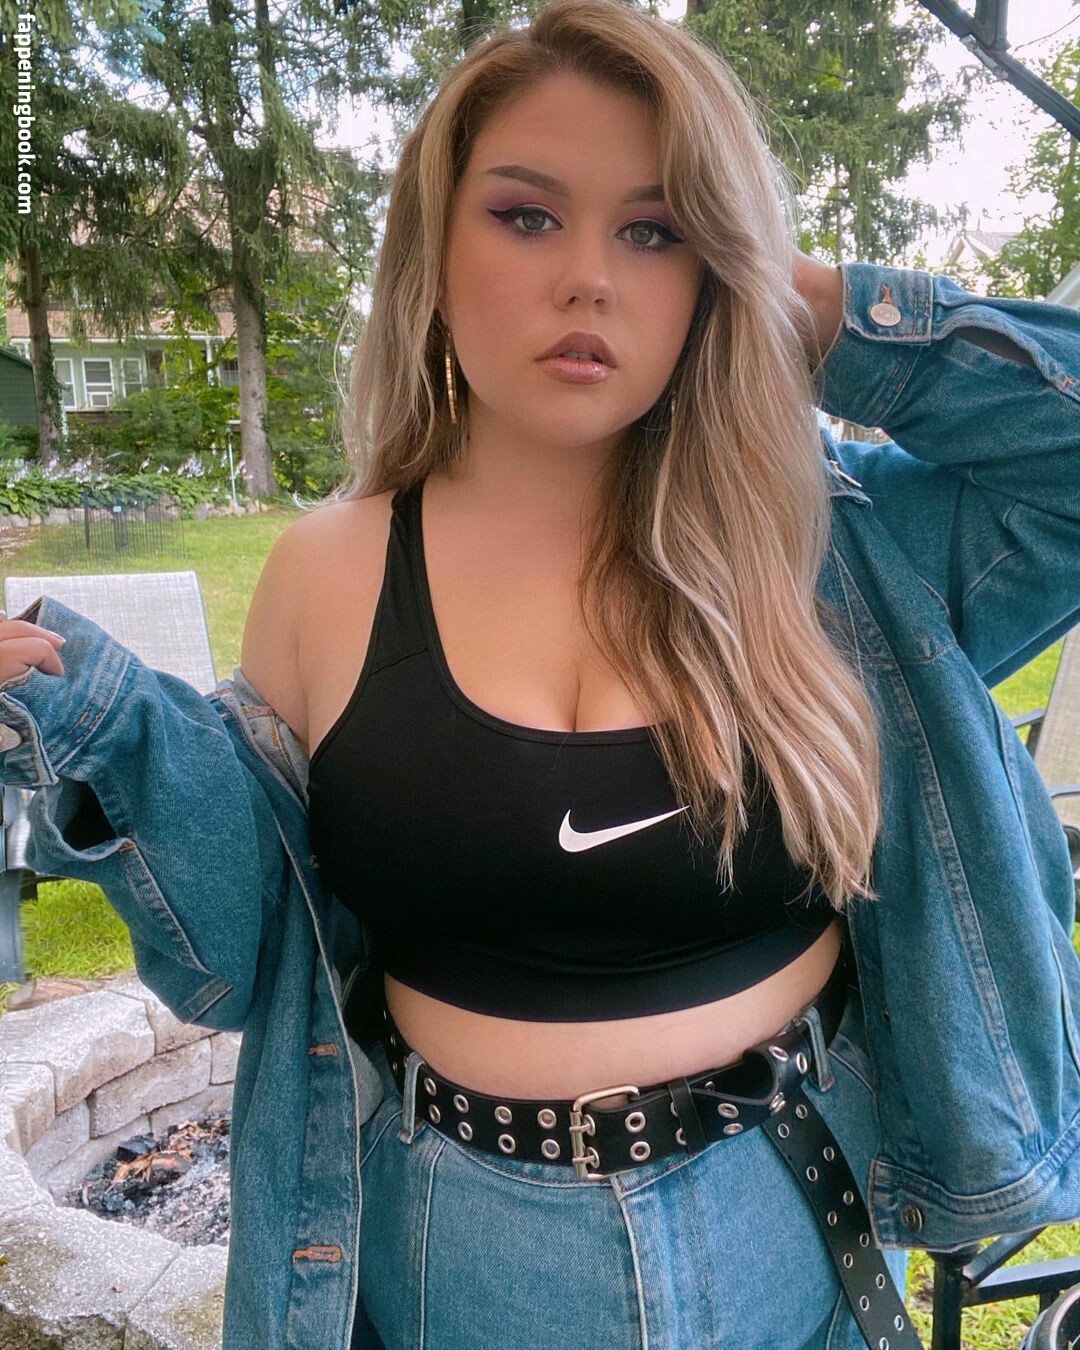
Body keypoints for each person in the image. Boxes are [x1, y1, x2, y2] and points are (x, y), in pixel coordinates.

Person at [2, 1, 1078, 1346]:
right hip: (455, 1262)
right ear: (434, 250)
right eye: (526, 215)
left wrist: (809, 307)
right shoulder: (331, 571)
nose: (589, 279)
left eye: (655, 230)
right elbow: (238, 950)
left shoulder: (833, 546)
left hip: (796, 1224)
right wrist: (84, 711)